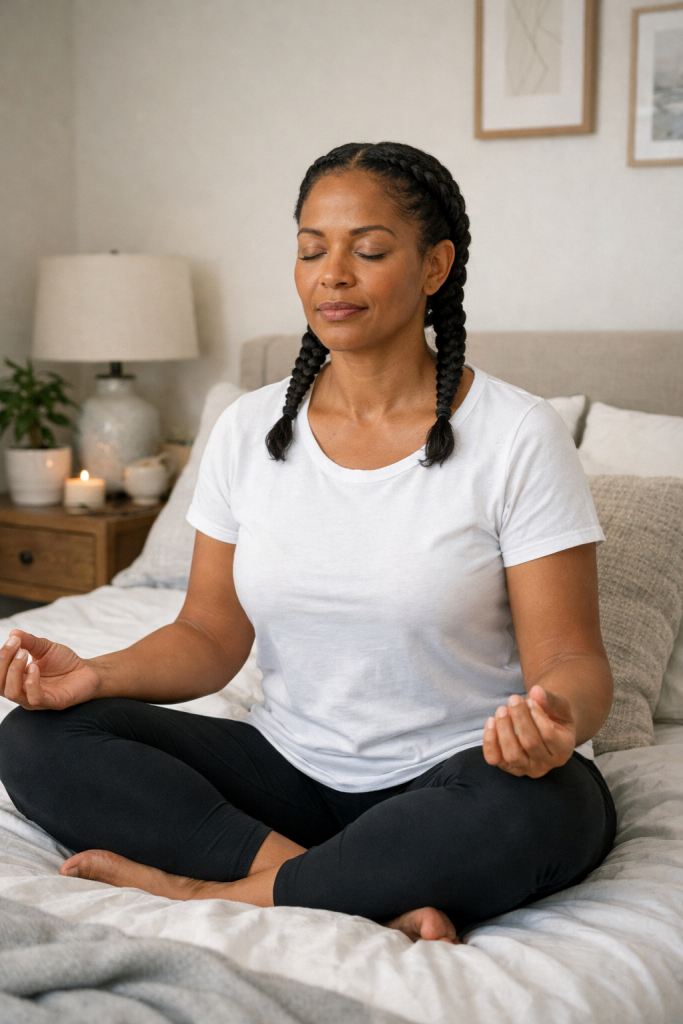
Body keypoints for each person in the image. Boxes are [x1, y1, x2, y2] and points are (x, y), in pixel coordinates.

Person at [0, 142, 616, 945]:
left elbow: (571, 660)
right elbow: (208, 634)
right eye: (311, 250)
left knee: (554, 804)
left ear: (434, 266)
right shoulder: (248, 429)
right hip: (287, 772)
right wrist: (94, 674)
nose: (333, 275)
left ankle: (209, 891)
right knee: (38, 739)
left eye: (368, 250)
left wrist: (553, 720)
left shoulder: (516, 435)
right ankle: (350, 886)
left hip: (457, 776)